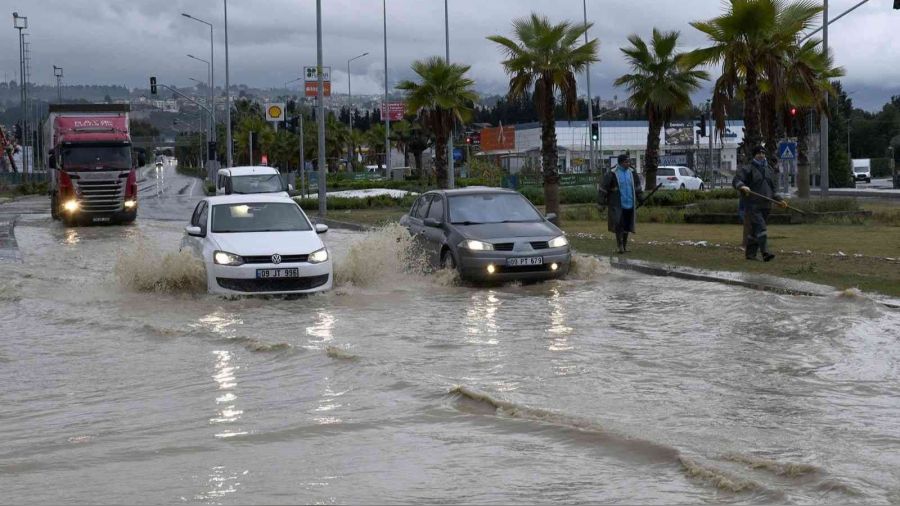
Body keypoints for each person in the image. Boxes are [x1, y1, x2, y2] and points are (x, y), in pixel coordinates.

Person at [733, 146, 788, 262]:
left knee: (755, 230)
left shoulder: (769, 170)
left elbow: (773, 189)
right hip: (753, 205)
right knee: (761, 227)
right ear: (754, 155)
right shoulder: (748, 169)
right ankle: (765, 253)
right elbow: (736, 180)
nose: (761, 155)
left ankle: (750, 255)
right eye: (758, 153)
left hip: (766, 206)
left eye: (763, 153)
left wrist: (780, 200)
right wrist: (742, 186)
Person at [598, 153, 643, 254]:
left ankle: (624, 246)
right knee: (619, 225)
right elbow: (603, 189)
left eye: (629, 161)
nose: (628, 163)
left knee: (627, 225)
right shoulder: (612, 173)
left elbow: (637, 186)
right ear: (621, 163)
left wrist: (640, 197)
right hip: (617, 205)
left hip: (630, 204)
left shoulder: (632, 172)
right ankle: (620, 246)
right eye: (626, 162)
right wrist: (601, 203)